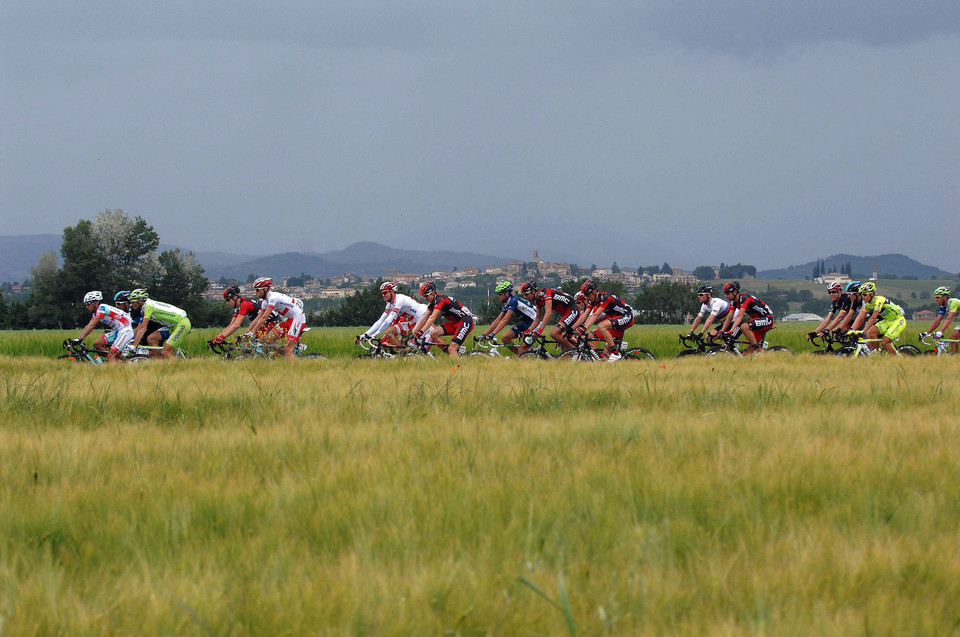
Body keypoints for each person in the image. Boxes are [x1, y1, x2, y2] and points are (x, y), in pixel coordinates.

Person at [572, 279, 635, 362]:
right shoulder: (592, 301)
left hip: (626, 316)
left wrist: (583, 328)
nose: (586, 298)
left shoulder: (605, 298)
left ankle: (615, 353)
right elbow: (584, 316)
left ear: (594, 291)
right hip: (615, 320)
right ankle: (604, 356)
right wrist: (570, 329)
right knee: (588, 336)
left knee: (601, 326)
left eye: (587, 294)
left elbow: (595, 315)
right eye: (585, 295)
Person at [246, 277, 307, 360]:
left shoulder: (273, 297)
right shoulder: (265, 302)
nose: (255, 292)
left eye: (257, 290)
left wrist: (253, 332)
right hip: (289, 319)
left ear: (264, 289)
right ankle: (286, 355)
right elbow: (257, 319)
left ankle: (298, 368)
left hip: (297, 318)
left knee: (288, 350)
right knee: (267, 340)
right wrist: (246, 333)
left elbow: (264, 317)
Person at [411, 281, 475, 357]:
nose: (425, 298)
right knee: (433, 334)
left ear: (433, 292)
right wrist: (413, 333)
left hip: (465, 322)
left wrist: (421, 332)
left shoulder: (440, 300)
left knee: (452, 348)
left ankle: (458, 366)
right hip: (455, 323)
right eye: (423, 296)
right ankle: (450, 353)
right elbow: (424, 319)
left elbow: (432, 318)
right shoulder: (432, 303)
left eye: (426, 296)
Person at [357, 282, 428, 348]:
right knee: (389, 333)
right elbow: (381, 320)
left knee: (413, 346)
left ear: (392, 292)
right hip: (412, 322)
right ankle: (402, 353)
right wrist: (364, 335)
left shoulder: (399, 300)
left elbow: (388, 320)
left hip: (422, 318)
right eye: (382, 293)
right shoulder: (389, 304)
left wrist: (375, 335)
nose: (383, 295)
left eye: (385, 293)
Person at [72, 291, 134, 364]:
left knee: (111, 355)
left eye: (88, 304)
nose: (87, 307)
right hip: (119, 331)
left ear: (95, 303)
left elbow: (92, 326)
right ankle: (117, 359)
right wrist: (78, 338)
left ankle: (113, 366)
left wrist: (80, 339)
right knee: (97, 343)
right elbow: (88, 326)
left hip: (126, 331)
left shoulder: (102, 308)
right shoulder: (96, 313)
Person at [211, 284, 284, 345]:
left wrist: (221, 338)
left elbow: (237, 325)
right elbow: (231, 325)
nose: (227, 303)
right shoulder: (237, 308)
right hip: (261, 323)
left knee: (265, 342)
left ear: (234, 297)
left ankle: (285, 353)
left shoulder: (244, 304)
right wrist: (217, 338)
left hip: (272, 321)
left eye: (227, 300)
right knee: (247, 343)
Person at [129, 289, 192, 360]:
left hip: (182, 324)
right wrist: (132, 340)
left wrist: (134, 346)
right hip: (171, 326)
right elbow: (139, 327)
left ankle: (182, 368)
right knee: (151, 339)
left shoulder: (149, 306)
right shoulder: (144, 308)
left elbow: (143, 328)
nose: (131, 304)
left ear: (140, 300)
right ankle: (158, 363)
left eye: (133, 302)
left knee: (166, 352)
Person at [477, 281, 537, 355]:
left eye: (500, 294)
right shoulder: (507, 303)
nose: (497, 296)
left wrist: (492, 334)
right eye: (497, 294)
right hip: (527, 323)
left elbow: (505, 320)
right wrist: (484, 334)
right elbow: (498, 320)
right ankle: (520, 356)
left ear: (507, 294)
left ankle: (522, 357)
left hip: (535, 323)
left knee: (522, 350)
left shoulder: (514, 301)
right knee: (505, 338)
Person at [519, 279, 579, 352]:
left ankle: (575, 351)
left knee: (554, 333)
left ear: (533, 291)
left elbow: (548, 313)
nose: (525, 297)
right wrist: (527, 331)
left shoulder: (545, 293)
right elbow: (538, 318)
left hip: (572, 310)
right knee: (562, 344)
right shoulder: (537, 300)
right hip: (565, 313)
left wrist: (539, 331)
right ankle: (575, 358)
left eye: (526, 294)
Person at [847, 282, 906, 356]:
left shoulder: (879, 300)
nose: (863, 297)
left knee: (885, 342)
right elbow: (861, 317)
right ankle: (877, 355)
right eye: (862, 294)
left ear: (872, 294)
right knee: (870, 332)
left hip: (898, 321)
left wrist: (863, 331)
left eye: (865, 294)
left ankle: (896, 361)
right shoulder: (867, 304)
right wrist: (852, 330)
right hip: (888, 321)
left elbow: (873, 317)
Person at [718, 280, 776, 353]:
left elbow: (739, 316)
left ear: (735, 292)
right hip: (758, 322)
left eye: (727, 293)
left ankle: (757, 348)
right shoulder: (734, 302)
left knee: (744, 326)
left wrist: (731, 331)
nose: (726, 296)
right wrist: (722, 331)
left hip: (767, 319)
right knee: (748, 352)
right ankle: (762, 355)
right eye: (725, 293)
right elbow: (729, 317)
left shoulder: (744, 298)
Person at [921, 286, 959, 354]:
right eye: (935, 297)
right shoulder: (943, 307)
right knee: (952, 339)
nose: (936, 299)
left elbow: (949, 319)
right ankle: (956, 359)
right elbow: (937, 320)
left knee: (953, 337)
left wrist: (940, 332)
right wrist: (927, 332)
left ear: (944, 297)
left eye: (938, 297)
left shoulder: (953, 302)